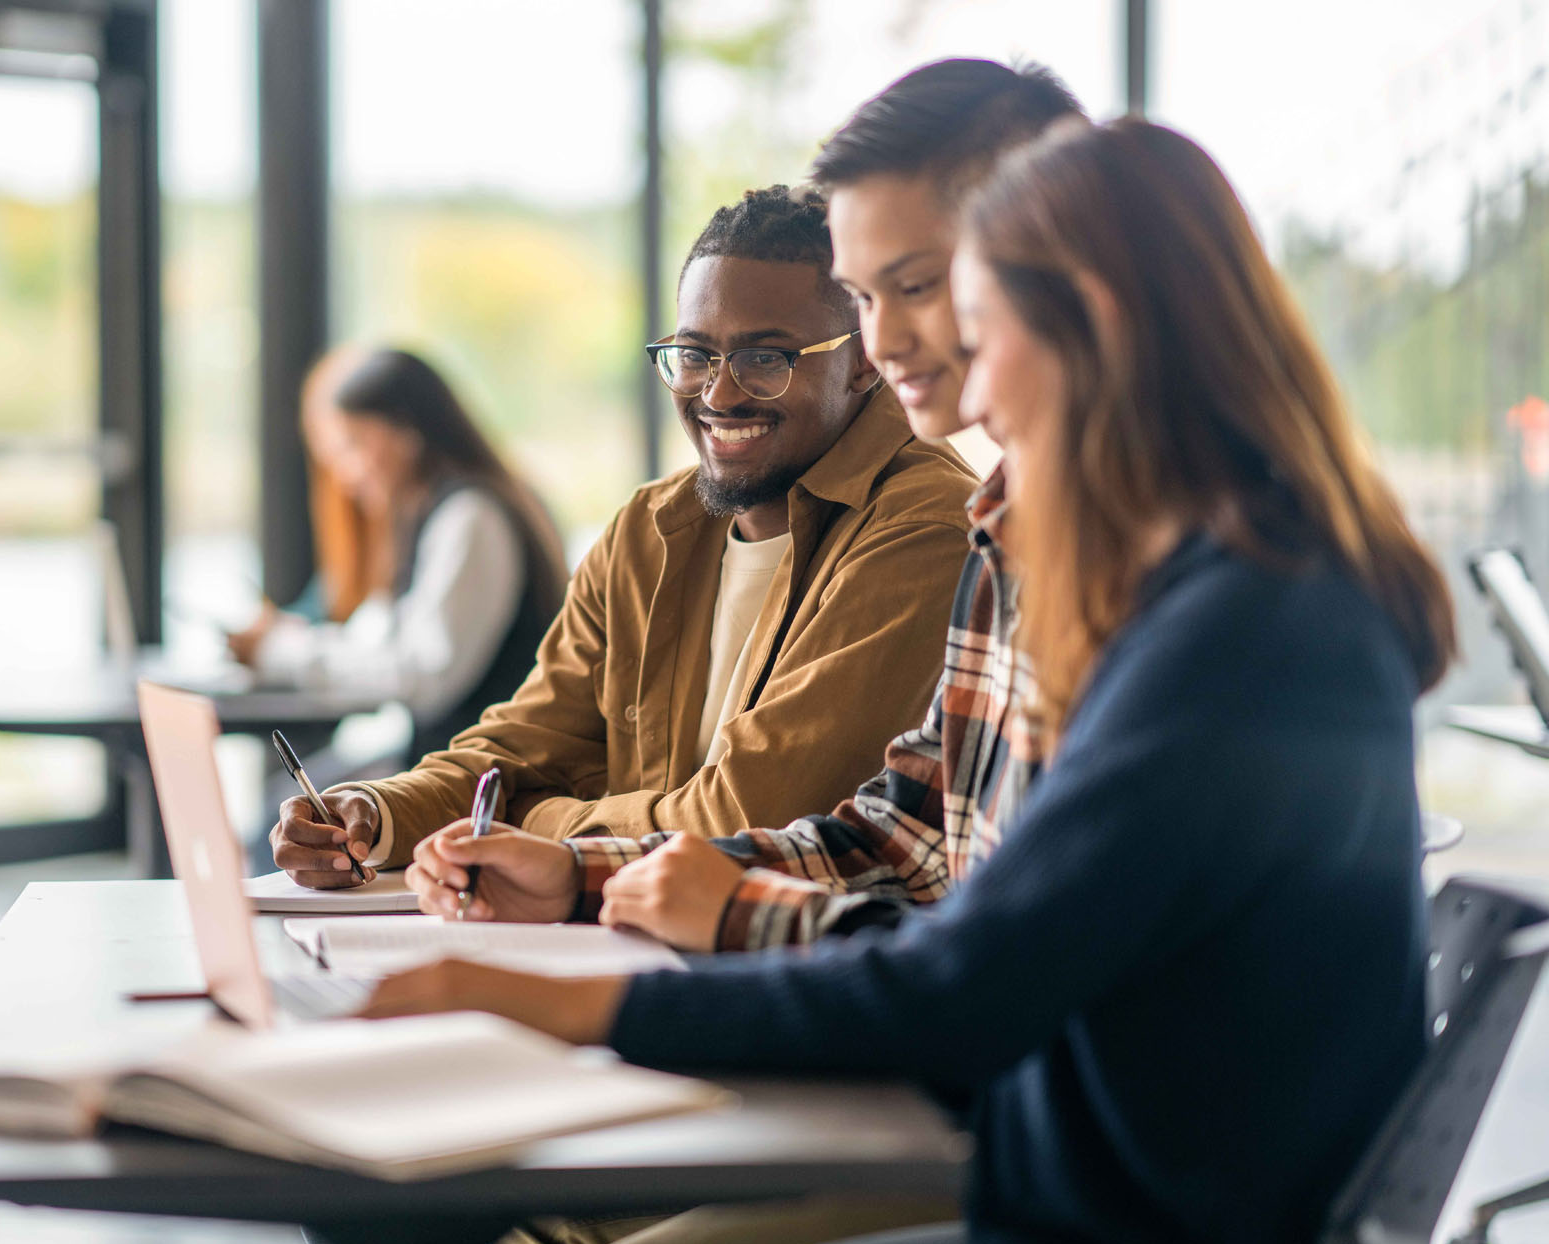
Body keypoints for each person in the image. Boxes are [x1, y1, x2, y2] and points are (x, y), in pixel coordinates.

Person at [359, 117, 1457, 1244]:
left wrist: (590, 1006)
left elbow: (969, 988)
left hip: (1129, 1233)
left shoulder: (1245, 628)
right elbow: (923, 855)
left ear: (1097, 327)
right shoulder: (1173, 583)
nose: (939, 368)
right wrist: (595, 878)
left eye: (970, 327)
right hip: (1056, 1172)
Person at [410, 60, 1085, 966]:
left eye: (919, 286)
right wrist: (580, 874)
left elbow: (1004, 964)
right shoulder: (1012, 531)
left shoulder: (999, 536)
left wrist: (568, 861)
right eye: (871, 297)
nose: (887, 340)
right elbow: (899, 845)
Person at [270, 187, 980, 891]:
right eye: (695, 354)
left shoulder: (924, 530)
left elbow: (743, 821)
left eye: (766, 358)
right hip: (627, 937)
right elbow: (517, 749)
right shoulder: (652, 530)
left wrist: (529, 826)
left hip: (794, 969)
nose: (719, 394)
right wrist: (375, 812)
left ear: (862, 359)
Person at [225, 346, 569, 765]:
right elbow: (382, 639)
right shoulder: (425, 517)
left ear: (406, 434)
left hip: (483, 780)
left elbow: (426, 675)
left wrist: (285, 651)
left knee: (287, 817)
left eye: (354, 445)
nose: (345, 474)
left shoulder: (471, 517)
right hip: (454, 767)